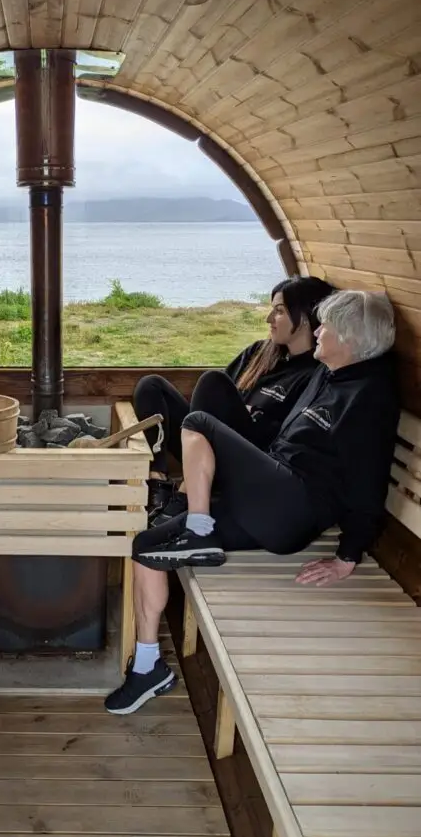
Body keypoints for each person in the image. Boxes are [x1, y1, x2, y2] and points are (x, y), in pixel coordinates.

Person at [106, 289, 399, 714]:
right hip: (266, 496)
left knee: (197, 422)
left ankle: (197, 527)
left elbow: (367, 481)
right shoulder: (327, 372)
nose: (318, 331)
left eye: (327, 326)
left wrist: (347, 556)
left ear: (351, 339)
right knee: (147, 546)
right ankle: (148, 668)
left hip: (294, 507)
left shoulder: (370, 395)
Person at [134, 275, 335, 518]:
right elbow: (216, 401)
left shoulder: (313, 374)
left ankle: (188, 493)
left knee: (211, 380)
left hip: (245, 462)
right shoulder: (259, 352)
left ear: (303, 317)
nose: (269, 319)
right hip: (205, 450)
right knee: (151, 386)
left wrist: (248, 417)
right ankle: (158, 482)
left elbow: (282, 438)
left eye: (279, 311)